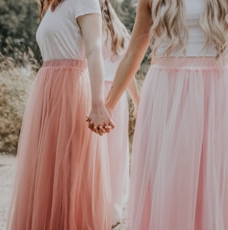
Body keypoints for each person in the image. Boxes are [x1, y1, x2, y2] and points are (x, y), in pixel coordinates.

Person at [88, 0, 228, 229]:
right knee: (168, 183)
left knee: (211, 186)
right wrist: (107, 106)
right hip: (167, 95)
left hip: (215, 96)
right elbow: (132, 56)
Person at [6, 0, 115, 229]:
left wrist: (98, 104)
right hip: (46, 89)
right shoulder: (51, 5)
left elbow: (95, 50)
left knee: (68, 170)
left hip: (70, 90)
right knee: (45, 170)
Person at [101, 1, 139, 227]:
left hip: (97, 93)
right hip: (119, 95)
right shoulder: (120, 32)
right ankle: (113, 208)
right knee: (116, 153)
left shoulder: (89, 27)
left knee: (97, 154)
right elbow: (129, 70)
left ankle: (98, 204)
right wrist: (136, 98)